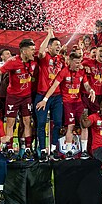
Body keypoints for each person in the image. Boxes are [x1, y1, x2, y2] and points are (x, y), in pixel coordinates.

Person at [38, 51, 96, 159]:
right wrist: (45, 99)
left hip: (78, 102)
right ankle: (69, 150)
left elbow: (86, 85)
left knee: (84, 124)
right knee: (70, 126)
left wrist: (91, 90)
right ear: (70, 62)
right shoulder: (64, 72)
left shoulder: (82, 71)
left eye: (79, 62)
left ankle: (84, 151)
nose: (79, 65)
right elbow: (54, 86)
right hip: (67, 103)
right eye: (76, 63)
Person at [0, 38, 37, 160]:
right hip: (13, 97)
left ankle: (28, 148)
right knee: (10, 122)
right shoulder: (12, 61)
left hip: (27, 97)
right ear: (24, 51)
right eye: (32, 50)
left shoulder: (34, 61)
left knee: (27, 121)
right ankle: (9, 148)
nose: (34, 52)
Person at [34, 28, 65, 161]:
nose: (58, 47)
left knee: (58, 122)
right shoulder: (44, 57)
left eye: (59, 45)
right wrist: (48, 35)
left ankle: (53, 149)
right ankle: (42, 150)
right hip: (41, 95)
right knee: (41, 123)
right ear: (49, 47)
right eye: (56, 45)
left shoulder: (61, 59)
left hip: (57, 96)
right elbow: (41, 51)